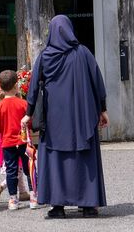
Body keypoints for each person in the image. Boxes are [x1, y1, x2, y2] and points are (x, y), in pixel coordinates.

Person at [25, 15, 108, 219]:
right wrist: (102, 109)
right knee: (84, 156)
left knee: (55, 159)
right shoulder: (83, 53)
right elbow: (97, 81)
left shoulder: (45, 56)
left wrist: (28, 114)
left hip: (55, 118)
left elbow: (34, 86)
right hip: (82, 115)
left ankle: (58, 206)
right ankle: (88, 204)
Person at [0, 69, 36, 210]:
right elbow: (30, 121)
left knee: (11, 170)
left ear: (0, 88)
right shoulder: (23, 103)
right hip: (23, 141)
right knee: (29, 168)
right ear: (17, 85)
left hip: (8, 142)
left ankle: (12, 200)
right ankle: (34, 197)